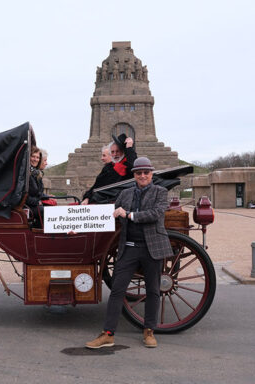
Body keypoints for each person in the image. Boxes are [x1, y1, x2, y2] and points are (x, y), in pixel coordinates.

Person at [85, 157, 173, 349]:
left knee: (152, 291)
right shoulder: (124, 194)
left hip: (152, 247)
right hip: (129, 247)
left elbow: (155, 214)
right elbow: (112, 213)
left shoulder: (160, 192)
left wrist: (130, 215)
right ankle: (108, 334)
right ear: (134, 175)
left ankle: (149, 331)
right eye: (138, 173)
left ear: (151, 174)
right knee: (117, 290)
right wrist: (81, 222)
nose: (142, 175)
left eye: (146, 172)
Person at [81, 133, 136, 205]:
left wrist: (129, 148)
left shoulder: (127, 166)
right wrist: (87, 197)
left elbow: (134, 167)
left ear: (123, 152)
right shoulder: (109, 167)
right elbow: (97, 185)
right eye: (113, 152)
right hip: (101, 201)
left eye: (117, 151)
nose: (115, 154)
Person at [26, 146, 44, 227]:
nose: (35, 159)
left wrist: (48, 197)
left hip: (33, 204)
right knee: (45, 211)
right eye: (33, 156)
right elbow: (22, 195)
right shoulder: (25, 173)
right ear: (28, 157)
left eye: (38, 157)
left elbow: (39, 192)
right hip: (26, 205)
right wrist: (37, 201)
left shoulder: (36, 173)